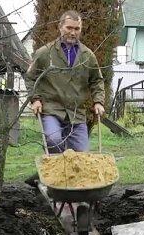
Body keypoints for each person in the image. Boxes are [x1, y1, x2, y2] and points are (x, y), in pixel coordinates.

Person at [24, 10, 105, 187]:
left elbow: (97, 80)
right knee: (53, 139)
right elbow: (30, 77)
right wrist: (35, 99)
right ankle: (55, 178)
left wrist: (98, 101)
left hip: (76, 112)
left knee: (82, 156)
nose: (73, 32)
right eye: (69, 27)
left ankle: (47, 177)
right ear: (60, 27)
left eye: (77, 28)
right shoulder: (45, 53)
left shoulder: (87, 56)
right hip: (52, 109)